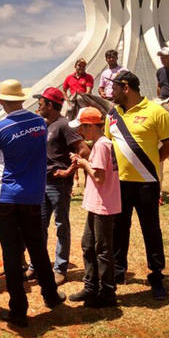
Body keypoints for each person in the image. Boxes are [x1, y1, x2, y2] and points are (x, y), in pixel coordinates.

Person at [0, 79, 65, 328]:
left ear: (2, 101)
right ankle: (51, 296)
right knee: (37, 247)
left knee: (11, 253)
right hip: (33, 194)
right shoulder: (40, 124)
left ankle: (18, 310)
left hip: (5, 195)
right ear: (22, 99)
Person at [106, 71, 169, 300]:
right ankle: (117, 273)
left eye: (114, 88)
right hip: (119, 183)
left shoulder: (157, 112)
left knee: (151, 229)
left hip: (147, 183)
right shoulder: (112, 114)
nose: (111, 93)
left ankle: (156, 275)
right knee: (118, 229)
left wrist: (150, 163)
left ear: (126, 87)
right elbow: (109, 144)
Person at [25, 87, 87, 285]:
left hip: (58, 185)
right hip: (40, 184)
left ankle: (60, 268)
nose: (38, 106)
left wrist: (69, 171)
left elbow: (83, 150)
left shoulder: (64, 125)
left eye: (41, 103)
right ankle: (36, 266)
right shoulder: (45, 125)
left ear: (51, 105)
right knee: (38, 227)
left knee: (61, 226)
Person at [68, 107, 120, 307]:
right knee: (88, 245)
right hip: (98, 203)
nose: (80, 131)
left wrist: (83, 164)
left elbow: (99, 176)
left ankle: (107, 292)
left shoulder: (101, 145)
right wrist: (84, 161)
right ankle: (91, 286)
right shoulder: (103, 143)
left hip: (102, 204)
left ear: (90, 126)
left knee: (102, 249)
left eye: (82, 127)